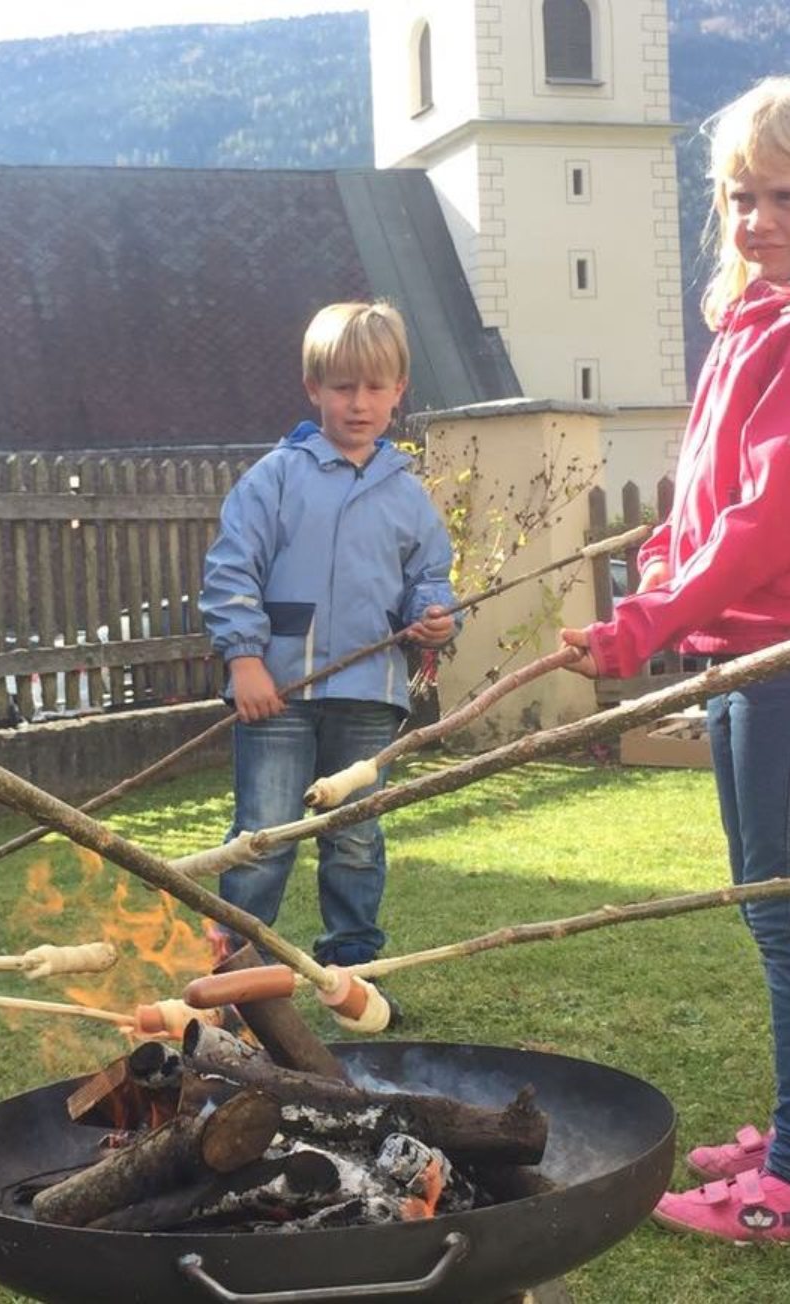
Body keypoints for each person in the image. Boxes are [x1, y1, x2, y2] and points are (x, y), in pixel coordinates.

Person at [557, 77, 790, 1242]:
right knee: (775, 902)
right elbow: (704, 500)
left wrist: (645, 625)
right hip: (742, 646)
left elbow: (768, 521)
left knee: (788, 908)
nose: (757, 219)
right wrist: (651, 587)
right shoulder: (757, 321)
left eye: (785, 197)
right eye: (738, 196)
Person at [199, 301, 457, 1009]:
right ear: (314, 388)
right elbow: (231, 573)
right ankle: (233, 975)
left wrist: (434, 619)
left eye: (375, 387)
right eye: (343, 387)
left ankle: (352, 977)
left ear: (399, 390)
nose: (359, 403)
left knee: (354, 838)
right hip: (275, 695)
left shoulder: (407, 495)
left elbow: (429, 579)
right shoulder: (275, 479)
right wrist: (245, 660)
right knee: (264, 836)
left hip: (370, 695)